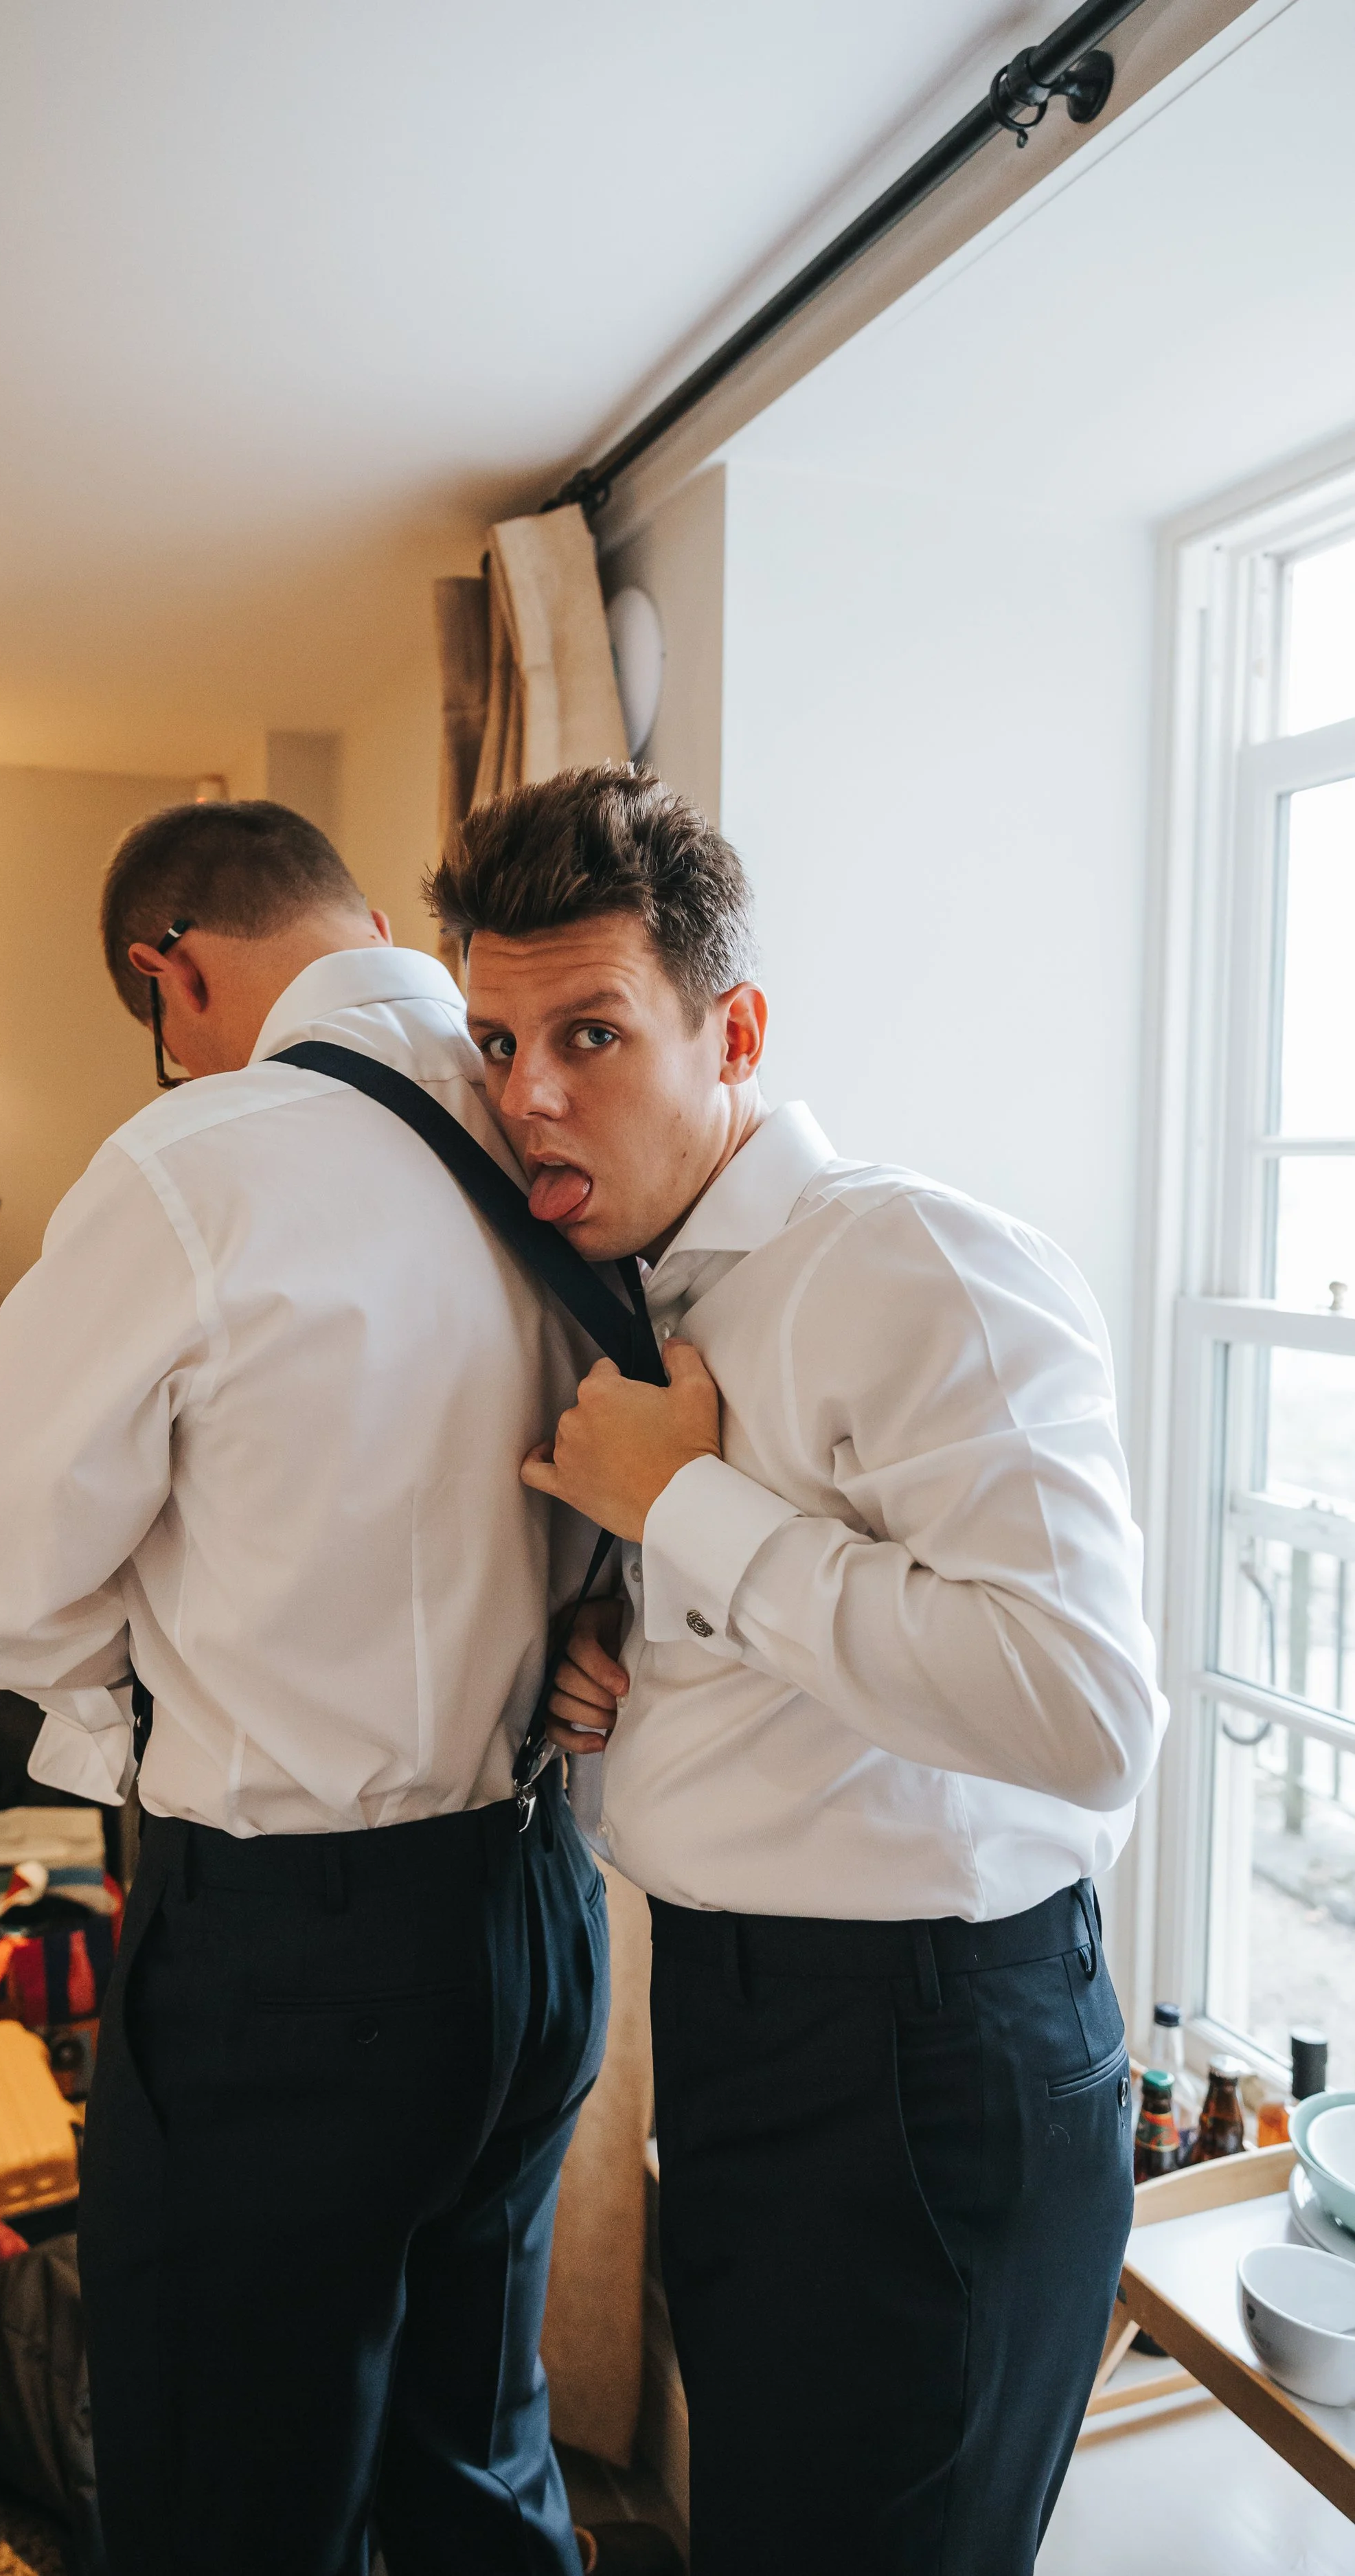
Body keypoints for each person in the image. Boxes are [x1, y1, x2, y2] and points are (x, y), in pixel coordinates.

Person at [426, 765, 1167, 2576]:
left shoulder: (916, 1265)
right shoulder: (643, 1291)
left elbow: (1082, 1713)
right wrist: (626, 1644)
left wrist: (685, 1509)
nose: (527, 1093)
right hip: (752, 2029)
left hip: (922, 2060)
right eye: (498, 1040)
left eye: (591, 1032)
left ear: (734, 1032)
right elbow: (816, 1647)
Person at [0, 799, 609, 2576]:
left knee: (230, 2493)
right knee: (478, 2455)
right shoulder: (554, 1124)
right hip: (540, 1912)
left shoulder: (193, 1165)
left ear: (171, 975)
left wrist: (143, 1698)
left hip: (290, 1959)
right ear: (369, 923)